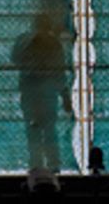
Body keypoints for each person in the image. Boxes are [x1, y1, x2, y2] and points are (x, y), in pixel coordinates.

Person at [12, 13, 72, 171]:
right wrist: (65, 95)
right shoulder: (48, 43)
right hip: (39, 91)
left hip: (38, 91)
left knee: (41, 129)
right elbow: (60, 72)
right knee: (43, 129)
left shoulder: (30, 42)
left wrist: (65, 95)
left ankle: (44, 164)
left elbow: (15, 58)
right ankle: (47, 164)